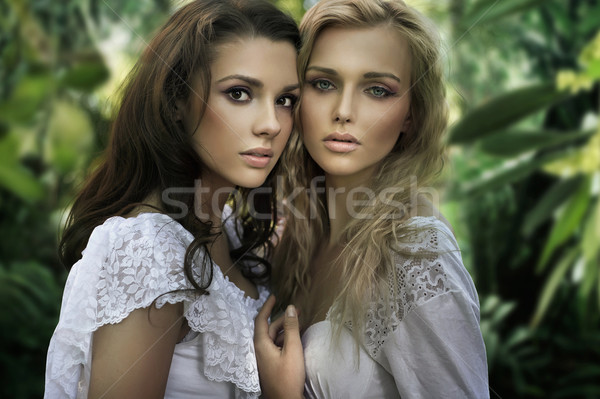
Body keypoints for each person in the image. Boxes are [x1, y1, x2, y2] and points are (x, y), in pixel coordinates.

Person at [44, 0, 300, 398]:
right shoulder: (149, 248)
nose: (270, 124)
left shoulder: (230, 231)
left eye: (285, 100)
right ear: (176, 102)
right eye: (239, 93)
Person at [254, 0, 489, 398]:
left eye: (377, 90)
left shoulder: (415, 250)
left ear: (411, 115)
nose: (343, 111)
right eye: (323, 83)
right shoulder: (300, 231)